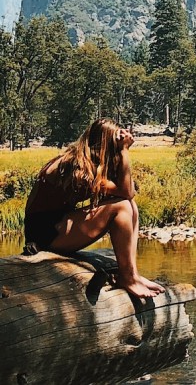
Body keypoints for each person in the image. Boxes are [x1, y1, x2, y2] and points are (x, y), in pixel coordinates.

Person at [24, 118, 164, 298]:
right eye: (114, 145)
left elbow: (130, 193)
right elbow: (125, 192)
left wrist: (122, 152)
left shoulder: (89, 162)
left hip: (59, 224)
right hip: (43, 236)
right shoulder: (75, 166)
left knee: (131, 206)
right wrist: (124, 151)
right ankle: (128, 277)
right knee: (122, 207)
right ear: (105, 144)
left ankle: (132, 274)